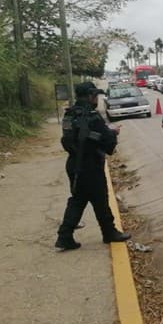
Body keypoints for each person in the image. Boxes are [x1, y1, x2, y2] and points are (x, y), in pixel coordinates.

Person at [56, 82, 131, 250]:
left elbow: (67, 140)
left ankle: (64, 236)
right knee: (100, 200)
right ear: (90, 96)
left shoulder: (69, 115)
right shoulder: (92, 116)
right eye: (95, 96)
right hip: (91, 165)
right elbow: (107, 142)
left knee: (78, 199)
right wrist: (113, 133)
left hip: (74, 163)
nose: (97, 99)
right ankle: (109, 232)